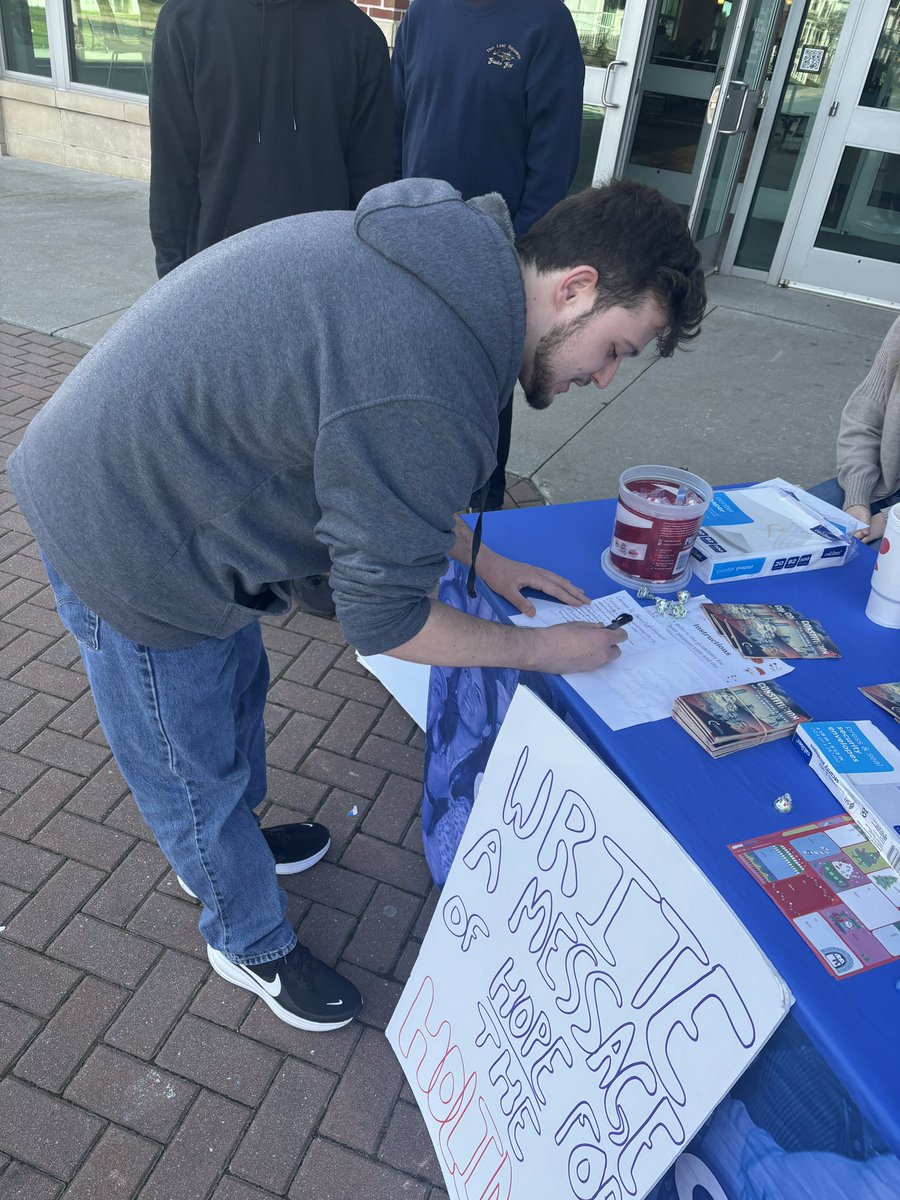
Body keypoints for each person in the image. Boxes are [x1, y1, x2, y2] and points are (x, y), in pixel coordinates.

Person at [9, 175, 706, 1032]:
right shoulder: (431, 360)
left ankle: (230, 847)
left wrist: (478, 557)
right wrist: (546, 649)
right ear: (576, 288)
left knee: (231, 700)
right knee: (188, 763)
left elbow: (372, 463)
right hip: (129, 538)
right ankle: (245, 934)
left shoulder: (452, 275)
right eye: (618, 349)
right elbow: (387, 622)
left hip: (172, 494)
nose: (604, 378)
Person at [149, 0, 393, 618]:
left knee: (316, 429)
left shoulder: (357, 36)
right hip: (215, 273)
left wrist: (365, 287)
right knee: (222, 428)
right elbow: (173, 166)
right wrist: (170, 280)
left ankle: (310, 563)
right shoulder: (189, 21)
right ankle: (230, 555)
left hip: (322, 282)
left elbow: (373, 181)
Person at [392, 0, 585, 511]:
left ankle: (481, 513)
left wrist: (509, 256)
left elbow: (553, 163)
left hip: (493, 257)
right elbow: (395, 125)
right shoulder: (423, 13)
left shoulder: (545, 22)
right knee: (403, 380)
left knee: (481, 394)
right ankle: (407, 501)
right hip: (412, 243)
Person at [809, 316, 900, 544]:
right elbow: (865, 417)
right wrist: (856, 497)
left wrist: (889, 519)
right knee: (782, 529)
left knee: (868, 574)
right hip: (884, 482)